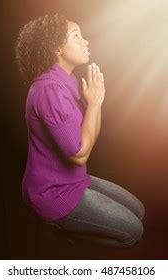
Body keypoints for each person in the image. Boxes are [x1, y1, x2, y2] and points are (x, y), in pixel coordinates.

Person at [15, 12, 145, 248]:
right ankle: (58, 231)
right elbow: (80, 153)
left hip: (75, 179)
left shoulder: (67, 81)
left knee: (139, 210)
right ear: (56, 48)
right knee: (133, 233)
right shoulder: (49, 90)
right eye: (76, 36)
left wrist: (97, 103)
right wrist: (94, 104)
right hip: (52, 193)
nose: (86, 42)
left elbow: (91, 134)